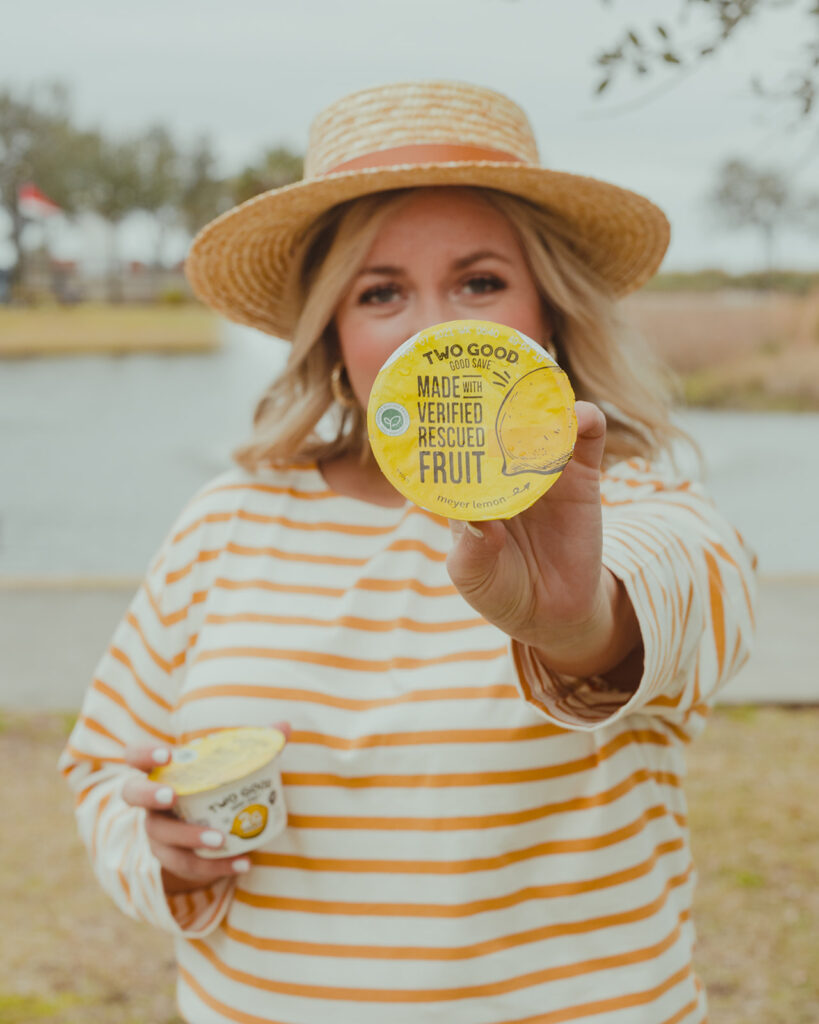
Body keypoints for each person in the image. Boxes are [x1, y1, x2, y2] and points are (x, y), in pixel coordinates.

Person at [59, 80, 757, 1024]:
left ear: (547, 311)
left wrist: (579, 622)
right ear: (332, 337)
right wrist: (163, 852)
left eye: (479, 282)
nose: (437, 331)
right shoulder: (226, 522)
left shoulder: (624, 503)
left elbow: (690, 602)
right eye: (381, 292)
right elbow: (104, 770)